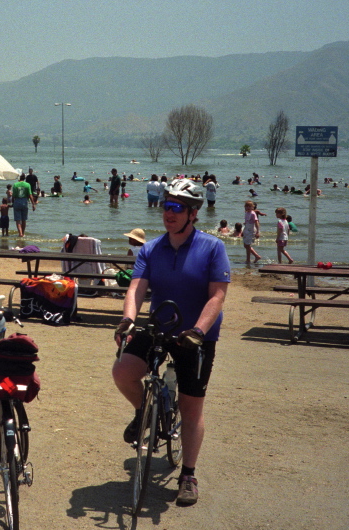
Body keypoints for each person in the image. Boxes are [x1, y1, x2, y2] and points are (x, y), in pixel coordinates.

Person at [113, 178, 231, 506]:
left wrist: (198, 331)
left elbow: (217, 296)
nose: (169, 212)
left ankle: (188, 475)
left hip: (196, 334)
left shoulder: (212, 247)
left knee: (191, 408)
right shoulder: (152, 248)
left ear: (193, 213)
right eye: (167, 206)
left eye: (177, 207)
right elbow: (136, 287)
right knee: (123, 370)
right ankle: (143, 412)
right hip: (160, 325)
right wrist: (128, 319)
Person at [12, 173, 36, 238]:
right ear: (24, 178)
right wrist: (33, 204)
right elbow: (30, 195)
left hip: (17, 201)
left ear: (19, 178)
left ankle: (20, 234)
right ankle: (23, 233)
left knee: (18, 220)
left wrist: (12, 203)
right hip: (25, 202)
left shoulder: (15, 185)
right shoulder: (27, 185)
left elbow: (13, 196)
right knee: (24, 219)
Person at [243, 200, 261, 264]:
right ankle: (256, 256)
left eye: (249, 206)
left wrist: (258, 232)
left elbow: (256, 222)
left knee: (247, 245)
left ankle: (248, 260)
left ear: (252, 207)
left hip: (251, 230)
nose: (248, 207)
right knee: (246, 245)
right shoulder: (246, 213)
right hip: (247, 229)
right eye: (246, 206)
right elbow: (247, 221)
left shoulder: (253, 213)